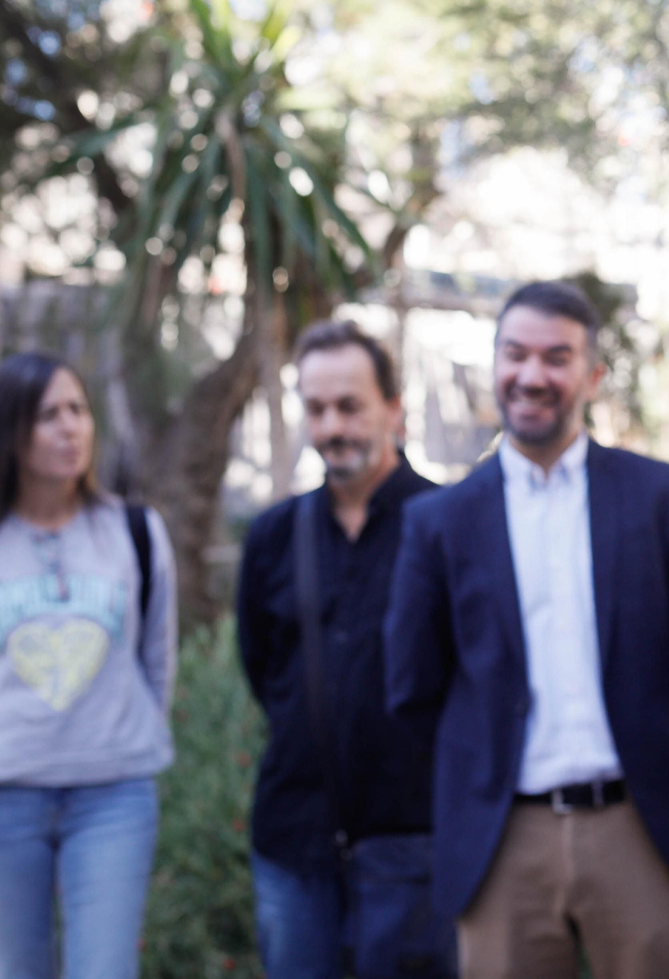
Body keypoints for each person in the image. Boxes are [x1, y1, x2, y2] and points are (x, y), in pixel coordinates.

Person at [384, 281, 669, 979]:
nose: (532, 375)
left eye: (557, 357)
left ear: (591, 376)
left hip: (642, 828)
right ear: (494, 364)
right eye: (515, 354)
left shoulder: (658, 494)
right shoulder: (438, 522)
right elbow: (410, 688)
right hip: (500, 839)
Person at [0, 353, 177, 979]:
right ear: (7, 432)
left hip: (112, 792)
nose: (70, 429)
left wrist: (121, 729)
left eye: (78, 411)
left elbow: (156, 659)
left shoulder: (136, 533)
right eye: (47, 416)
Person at [236, 321, 452, 979]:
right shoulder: (274, 535)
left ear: (393, 408)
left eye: (350, 406)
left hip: (418, 846)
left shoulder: (449, 525)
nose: (333, 427)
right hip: (294, 841)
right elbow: (262, 665)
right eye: (317, 408)